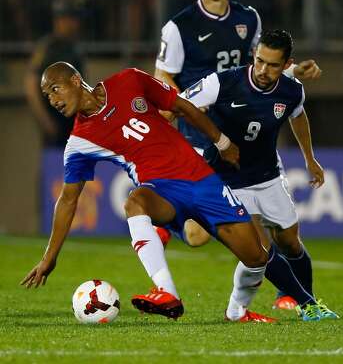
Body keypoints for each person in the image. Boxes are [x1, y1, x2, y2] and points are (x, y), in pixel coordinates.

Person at [21, 61, 280, 323]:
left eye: (55, 89)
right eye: (47, 96)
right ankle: (167, 292)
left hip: (201, 179)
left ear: (75, 80)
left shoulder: (129, 80)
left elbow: (180, 106)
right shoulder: (79, 143)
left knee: (256, 257)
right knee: (135, 202)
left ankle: (236, 312)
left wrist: (222, 142)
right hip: (161, 191)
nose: (52, 100)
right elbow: (67, 199)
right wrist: (49, 258)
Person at [154, 0, 322, 309]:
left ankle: (287, 295)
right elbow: (163, 76)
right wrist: (175, 113)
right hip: (199, 131)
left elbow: (258, 74)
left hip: (242, 131)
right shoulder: (180, 26)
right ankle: (166, 219)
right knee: (197, 236)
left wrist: (292, 74)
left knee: (265, 231)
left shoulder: (249, 19)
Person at [174, 29, 339, 321]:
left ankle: (306, 300)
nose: (263, 70)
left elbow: (297, 115)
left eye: (273, 65)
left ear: (286, 63)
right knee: (258, 249)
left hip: (268, 176)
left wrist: (310, 159)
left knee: (289, 242)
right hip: (229, 180)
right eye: (260, 61)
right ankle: (304, 306)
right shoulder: (223, 82)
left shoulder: (291, 90)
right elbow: (178, 105)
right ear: (254, 55)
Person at [24, 0, 85, 147]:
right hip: (55, 120)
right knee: (53, 165)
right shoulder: (47, 48)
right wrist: (45, 120)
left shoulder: (74, 48)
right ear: (59, 21)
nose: (73, 24)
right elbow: (31, 85)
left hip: (72, 122)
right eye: (69, 19)